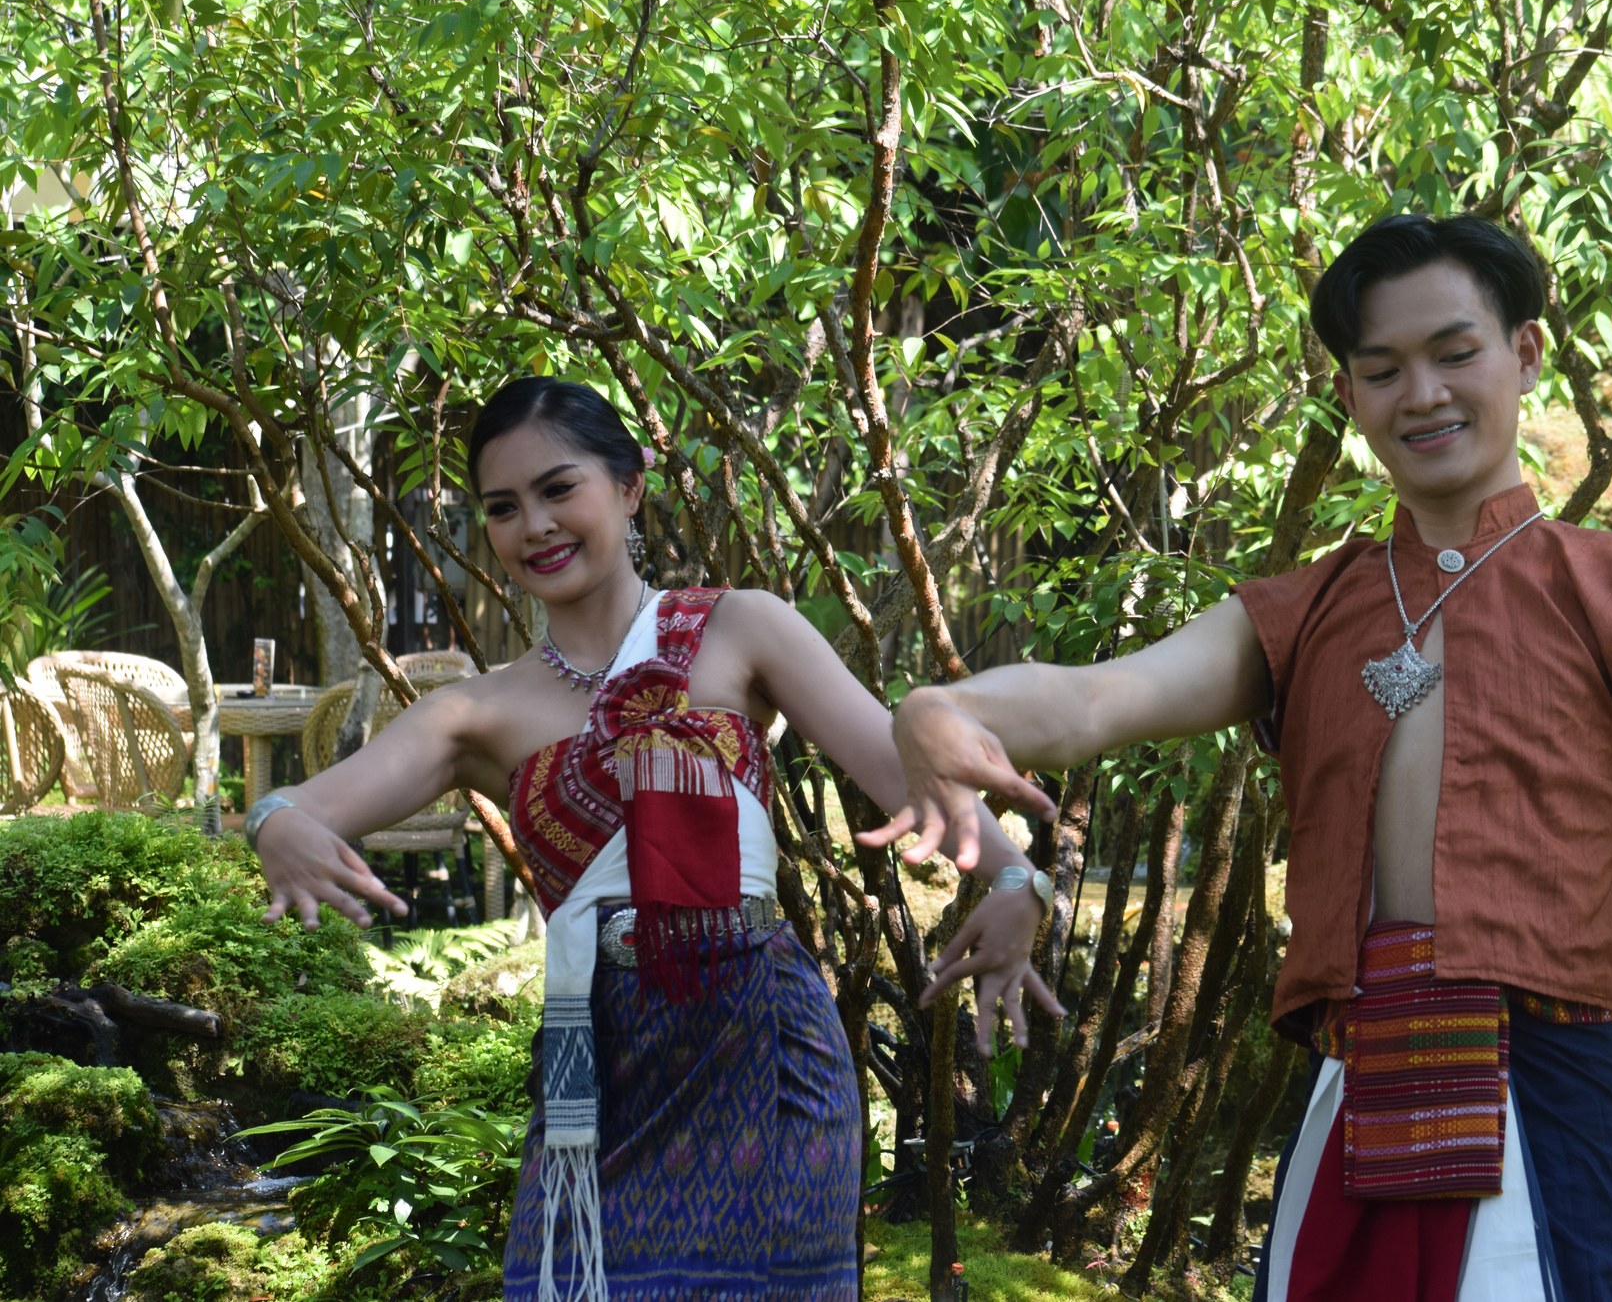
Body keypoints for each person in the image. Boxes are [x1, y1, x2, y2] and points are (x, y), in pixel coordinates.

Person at [858, 215, 1612, 1300]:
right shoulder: (1296, 613)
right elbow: (1092, 697)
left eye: (1453, 352)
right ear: (1348, 394)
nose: (1420, 393)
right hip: (1355, 1083)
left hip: (1552, 1084)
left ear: (1524, 354)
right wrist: (942, 707)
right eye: (1380, 370)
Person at [246, 376, 1062, 1302]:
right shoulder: (475, 714)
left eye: (559, 488)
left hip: (767, 1047)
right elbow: (298, 806)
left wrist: (1015, 881)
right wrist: (275, 826)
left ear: (630, 485)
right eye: (503, 508)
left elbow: (896, 764)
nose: (534, 526)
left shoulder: (739, 627)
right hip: (600, 1063)